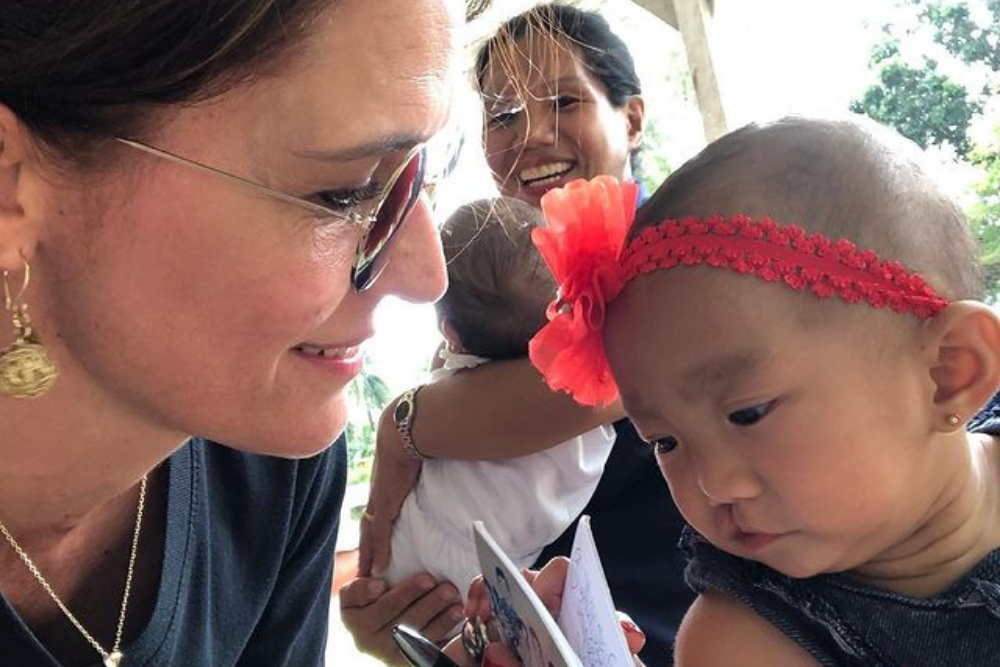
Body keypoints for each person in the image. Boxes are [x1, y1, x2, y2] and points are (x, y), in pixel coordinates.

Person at [0, 0, 491, 665]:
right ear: (9, 186)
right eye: (345, 193)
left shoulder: (270, 464)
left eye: (423, 171)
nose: (426, 273)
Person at [508, 115, 1000, 666]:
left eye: (748, 414)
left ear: (950, 372)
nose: (711, 484)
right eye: (665, 442)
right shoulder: (746, 644)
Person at [342, 5, 695, 667]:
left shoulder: (673, 262)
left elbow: (592, 387)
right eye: (502, 115)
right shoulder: (495, 302)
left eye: (564, 99)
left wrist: (402, 426)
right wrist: (419, 628)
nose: (529, 133)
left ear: (632, 117)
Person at [379, 196, 615, 597]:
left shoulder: (455, 389)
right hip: (505, 563)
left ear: (450, 332)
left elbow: (417, 414)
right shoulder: (594, 372)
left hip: (424, 544)